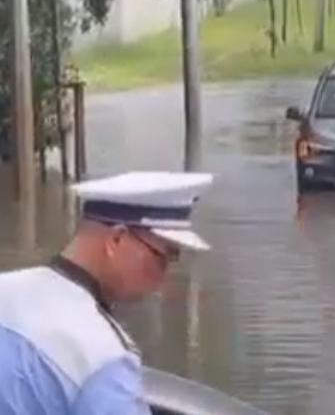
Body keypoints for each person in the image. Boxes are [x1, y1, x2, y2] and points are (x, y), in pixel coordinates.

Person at [0, 171, 212, 415]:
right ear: (117, 240)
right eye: (163, 257)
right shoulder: (100, 356)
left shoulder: (6, 286)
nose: (162, 277)